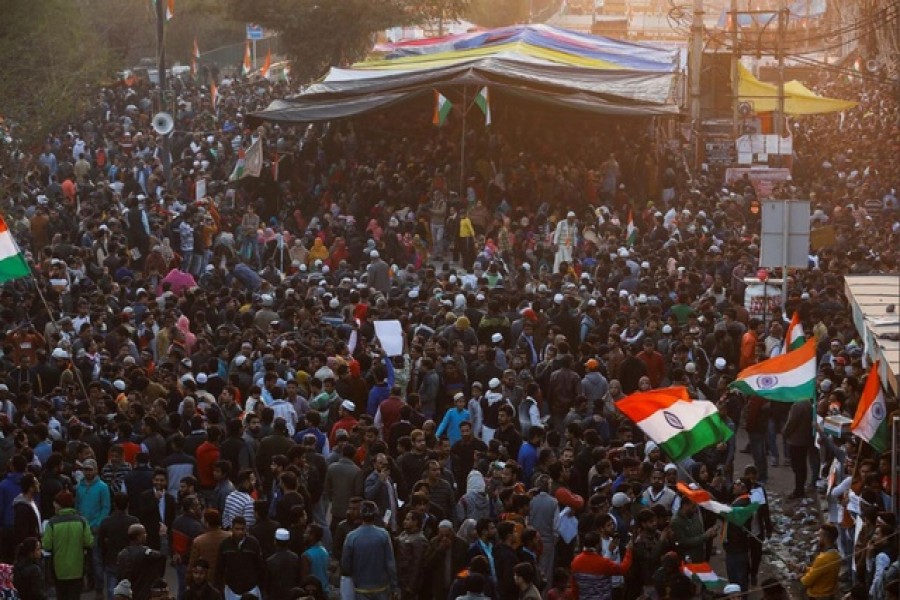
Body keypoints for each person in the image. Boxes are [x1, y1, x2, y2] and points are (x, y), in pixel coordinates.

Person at [341, 500, 398, 600]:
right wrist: (394, 586)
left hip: (360, 588)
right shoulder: (383, 535)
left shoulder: (351, 537)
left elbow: (345, 565)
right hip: (381, 587)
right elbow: (390, 564)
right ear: (375, 515)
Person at [42, 490, 93, 600]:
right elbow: (89, 542)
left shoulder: (52, 523)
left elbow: (46, 545)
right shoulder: (82, 521)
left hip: (59, 569)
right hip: (77, 568)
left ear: (59, 505)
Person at [97, 493, 139, 600]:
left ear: (114, 504)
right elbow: (138, 542)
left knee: (112, 589)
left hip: (111, 559)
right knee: (130, 589)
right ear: (128, 504)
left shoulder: (106, 522)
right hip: (130, 561)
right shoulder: (133, 522)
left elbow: (100, 543)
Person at [568, 530, 633, 599]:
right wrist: (629, 551)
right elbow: (623, 569)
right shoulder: (603, 563)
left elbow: (574, 588)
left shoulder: (575, 562)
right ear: (597, 545)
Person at [215, 516, 265, 599]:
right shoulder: (225, 545)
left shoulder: (253, 543)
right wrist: (219, 586)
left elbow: (260, 566)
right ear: (232, 529)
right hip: (232, 589)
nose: (240, 532)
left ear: (246, 529)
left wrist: (262, 586)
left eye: (242, 529)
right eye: (237, 529)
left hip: (251, 588)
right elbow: (220, 567)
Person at [116, 524, 167, 600]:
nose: (146, 535)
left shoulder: (122, 554)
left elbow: (119, 576)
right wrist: (163, 536)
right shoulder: (147, 554)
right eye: (144, 533)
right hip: (144, 595)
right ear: (139, 537)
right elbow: (163, 556)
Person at [790, 524, 842, 600]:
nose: (818, 539)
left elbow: (806, 581)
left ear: (824, 538)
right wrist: (799, 568)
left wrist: (799, 576)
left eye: (819, 536)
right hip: (830, 595)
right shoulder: (836, 555)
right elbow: (817, 570)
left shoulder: (823, 558)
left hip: (818, 596)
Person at [265, 528, 302, 600]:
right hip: (292, 595)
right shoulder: (295, 558)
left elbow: (267, 584)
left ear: (275, 542)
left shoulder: (270, 561)